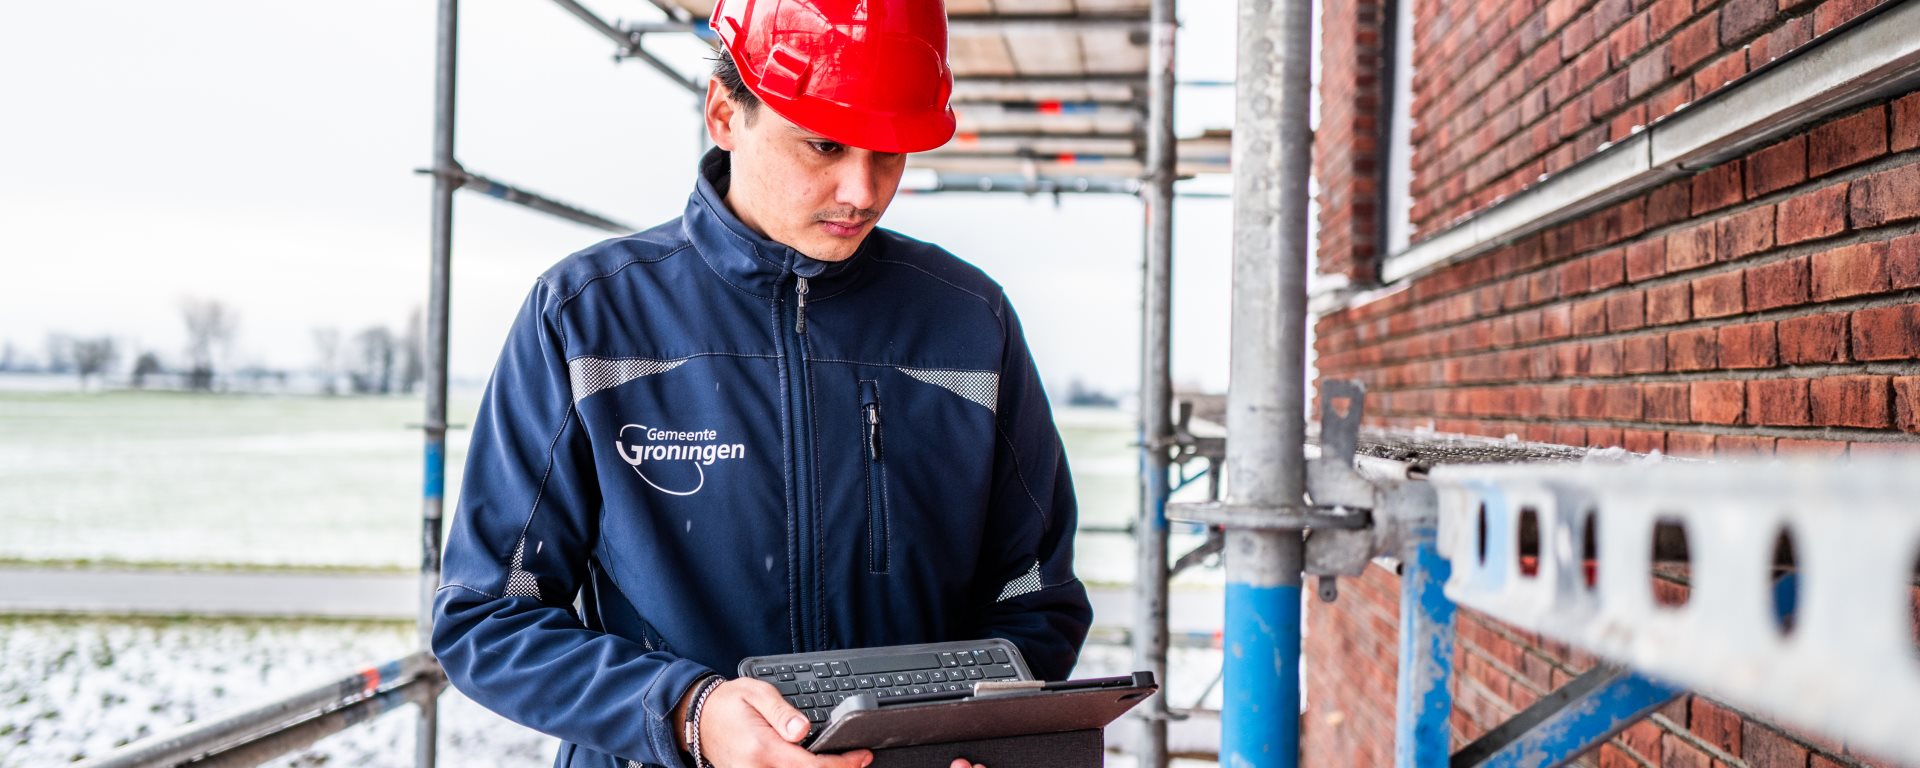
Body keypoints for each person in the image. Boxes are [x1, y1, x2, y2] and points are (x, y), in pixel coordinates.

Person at [431, 1, 1093, 766]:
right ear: (723, 111)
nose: (862, 191)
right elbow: (486, 621)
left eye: (891, 151)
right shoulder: (589, 318)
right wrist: (686, 713)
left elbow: (1034, 601)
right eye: (825, 143)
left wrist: (979, 729)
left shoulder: (970, 324)